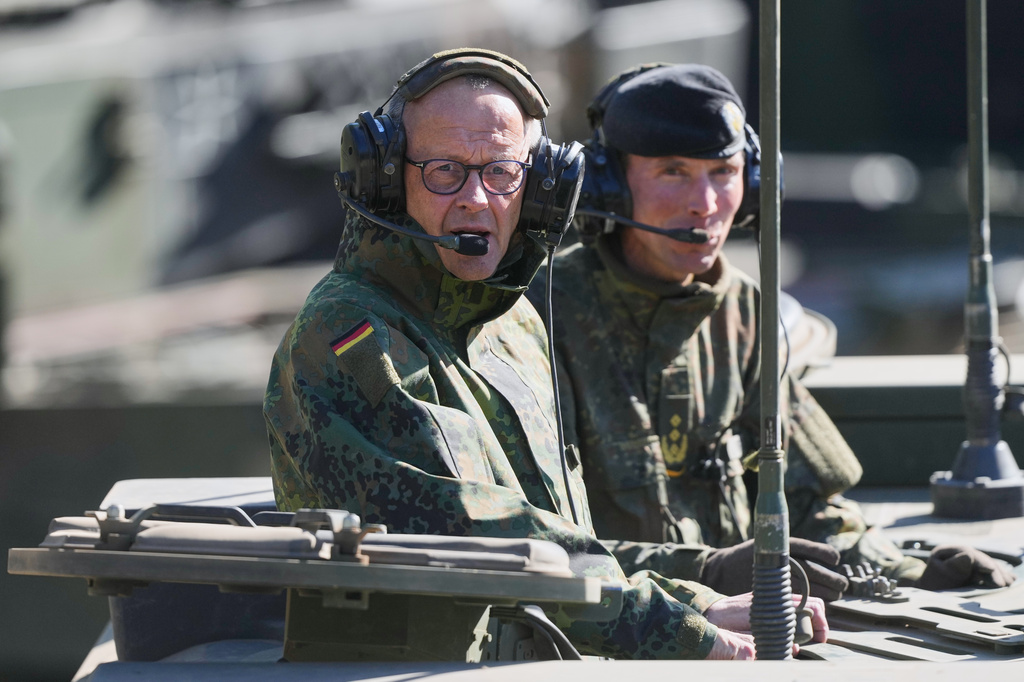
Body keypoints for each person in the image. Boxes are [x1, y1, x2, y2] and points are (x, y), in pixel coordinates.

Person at [264, 49, 826, 661]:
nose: (478, 200)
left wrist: (700, 595)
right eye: (445, 171)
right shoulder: (349, 335)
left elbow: (563, 539)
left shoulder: (514, 325)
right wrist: (680, 628)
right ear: (387, 178)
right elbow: (475, 536)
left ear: (540, 189)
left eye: (502, 172)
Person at [528, 62, 1015, 596]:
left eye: (725, 172)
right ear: (608, 184)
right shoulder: (542, 317)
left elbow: (807, 504)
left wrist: (913, 571)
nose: (706, 204)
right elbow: (542, 546)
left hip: (752, 628)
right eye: (673, 172)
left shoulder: (744, 312)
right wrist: (706, 572)